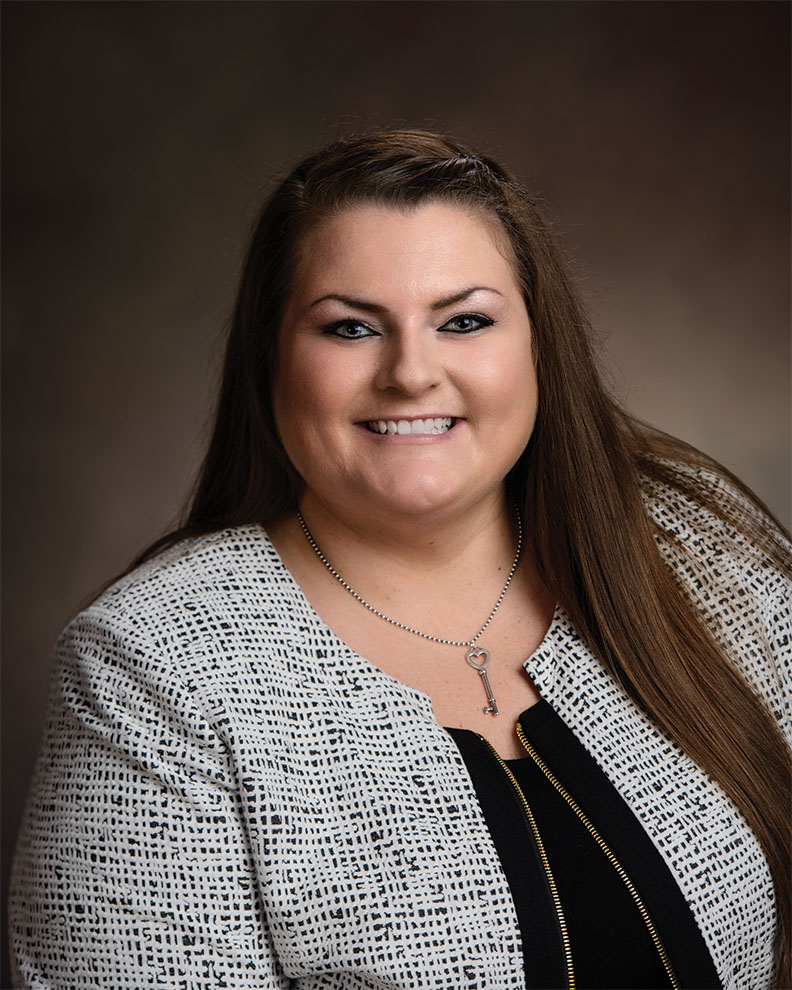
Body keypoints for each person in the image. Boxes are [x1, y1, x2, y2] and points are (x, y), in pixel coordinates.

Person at [9, 130, 791, 990]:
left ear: (537, 343)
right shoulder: (156, 664)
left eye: (464, 321)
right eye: (349, 328)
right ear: (272, 358)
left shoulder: (697, 549)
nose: (411, 373)